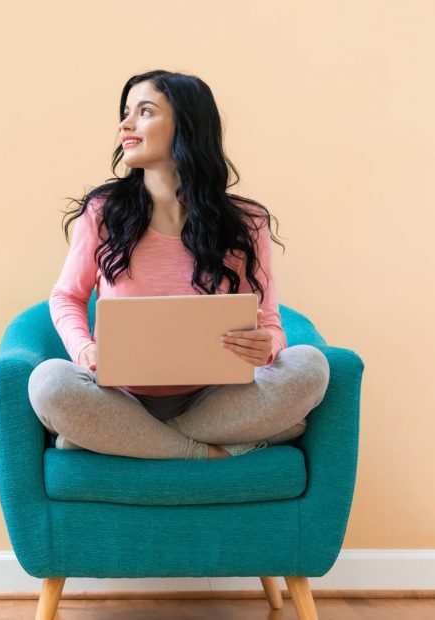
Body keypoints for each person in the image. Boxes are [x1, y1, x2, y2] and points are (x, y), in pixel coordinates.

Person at [27, 70, 330, 461]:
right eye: (125, 112)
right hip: (120, 398)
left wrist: (267, 347)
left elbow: (269, 322)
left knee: (311, 366)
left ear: (185, 125)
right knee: (49, 383)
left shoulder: (247, 222)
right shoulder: (102, 212)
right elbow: (66, 296)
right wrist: (84, 350)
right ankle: (203, 451)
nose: (126, 124)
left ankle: (125, 442)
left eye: (145, 111)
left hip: (216, 398)